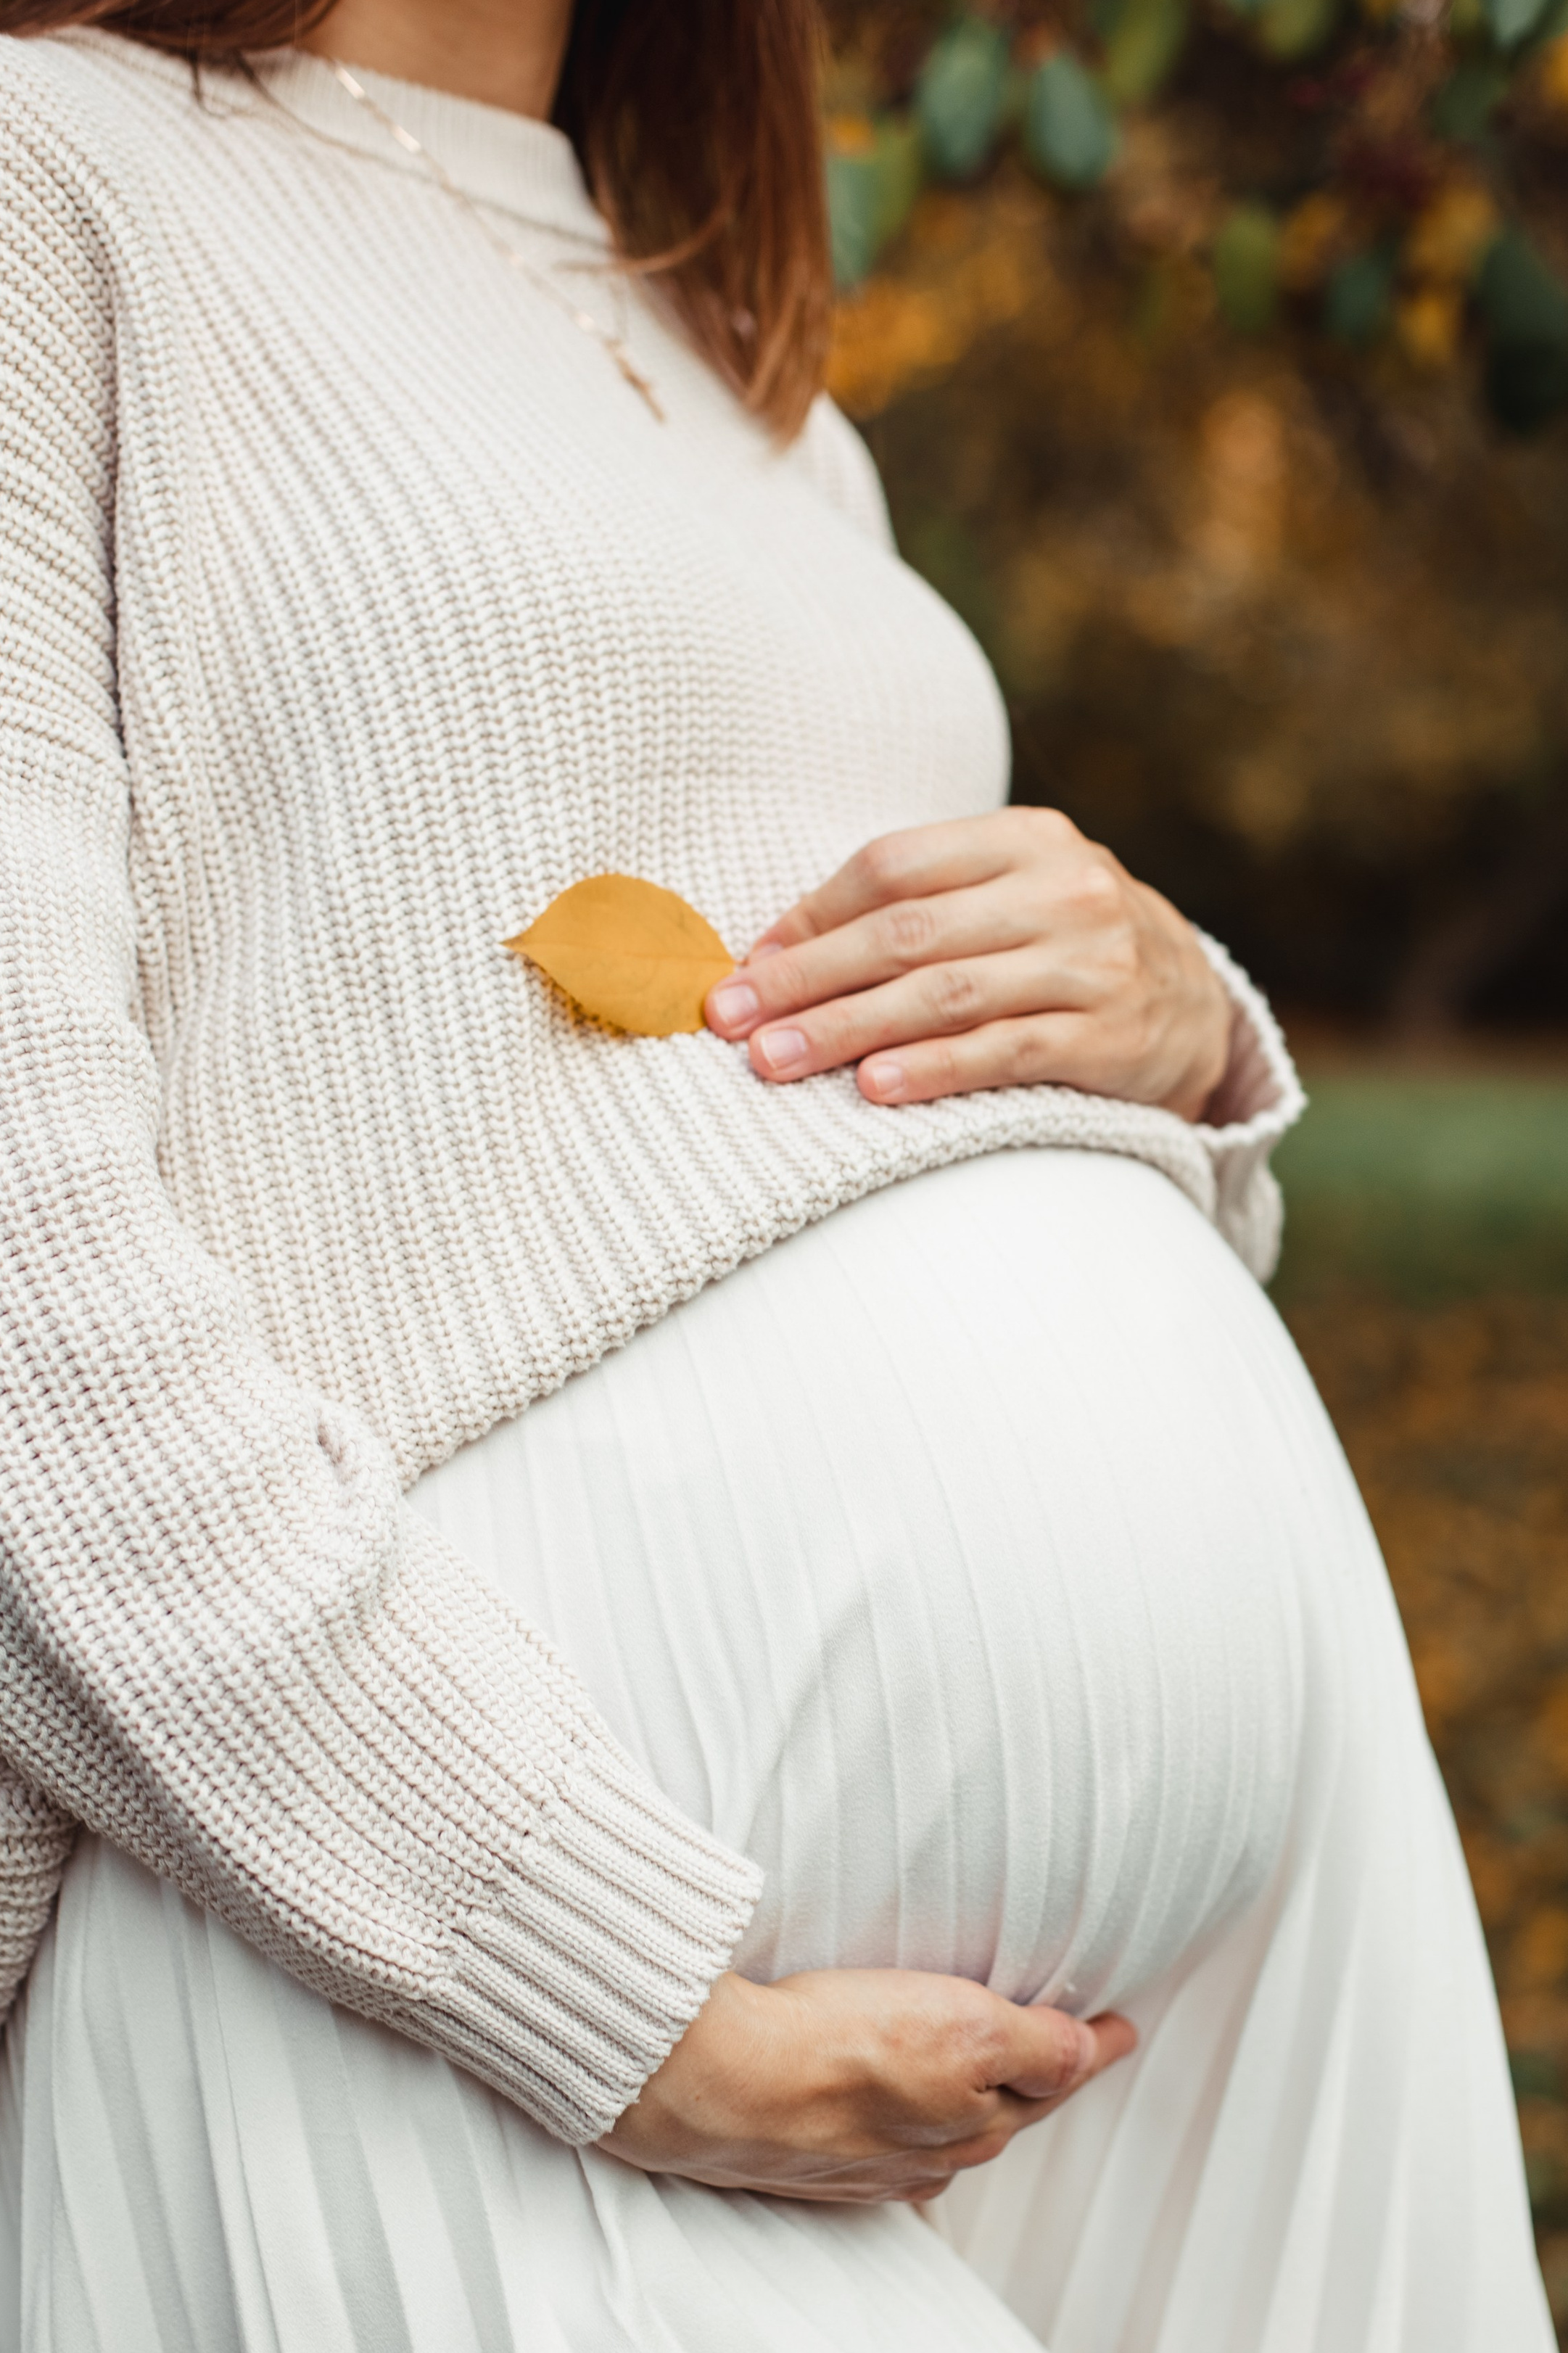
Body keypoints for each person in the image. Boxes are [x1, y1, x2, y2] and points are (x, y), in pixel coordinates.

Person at [0, 1, 1549, 2345]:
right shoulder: (55, 178)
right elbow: (31, 1279)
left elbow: (819, 1114)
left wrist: (1175, 1039)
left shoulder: (761, 391)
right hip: (420, 1968)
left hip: (1196, 1946)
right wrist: (600, 1988)